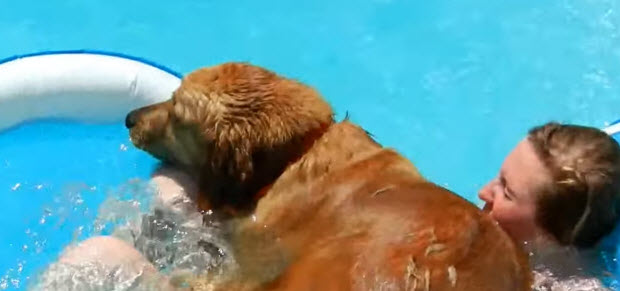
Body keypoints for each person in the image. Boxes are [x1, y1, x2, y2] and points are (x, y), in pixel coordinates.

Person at [478, 121, 620, 290]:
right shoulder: (584, 157)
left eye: (507, 193)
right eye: (500, 176)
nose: (483, 192)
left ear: (549, 237)